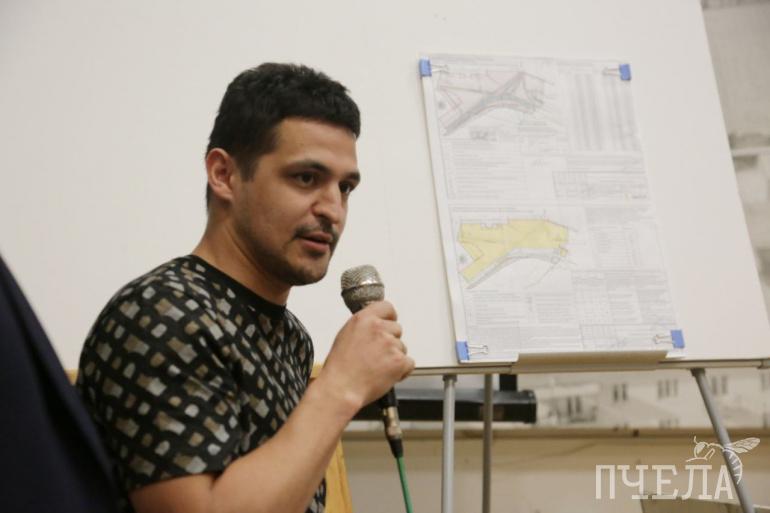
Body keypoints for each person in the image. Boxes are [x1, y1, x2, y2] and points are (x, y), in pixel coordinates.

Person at [77, 63, 415, 513]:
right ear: (224, 174)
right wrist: (340, 387)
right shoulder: (161, 314)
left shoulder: (290, 336)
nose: (333, 210)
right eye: (306, 178)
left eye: (346, 187)